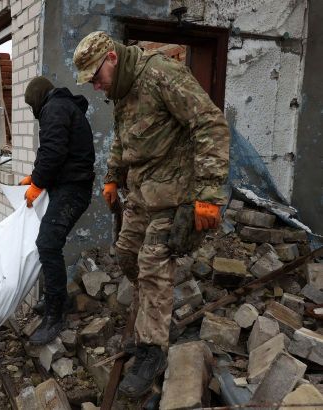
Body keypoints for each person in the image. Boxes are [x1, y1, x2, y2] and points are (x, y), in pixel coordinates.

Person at [73, 32, 230, 398]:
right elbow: (121, 139)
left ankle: (152, 350)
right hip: (142, 195)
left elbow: (210, 124)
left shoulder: (161, 75)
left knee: (153, 267)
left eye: (96, 77)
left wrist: (207, 196)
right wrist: (112, 178)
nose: (95, 87)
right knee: (127, 255)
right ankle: (152, 323)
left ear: (111, 57)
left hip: (175, 196)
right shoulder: (122, 90)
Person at [19, 76, 95, 345]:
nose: (33, 111)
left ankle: (55, 314)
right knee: (49, 243)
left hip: (73, 190)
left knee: (48, 244)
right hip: (69, 187)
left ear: (39, 99)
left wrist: (38, 183)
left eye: (31, 106)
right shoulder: (60, 107)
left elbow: (53, 151)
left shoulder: (54, 109)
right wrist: (34, 175)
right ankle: (57, 299)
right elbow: (49, 150)